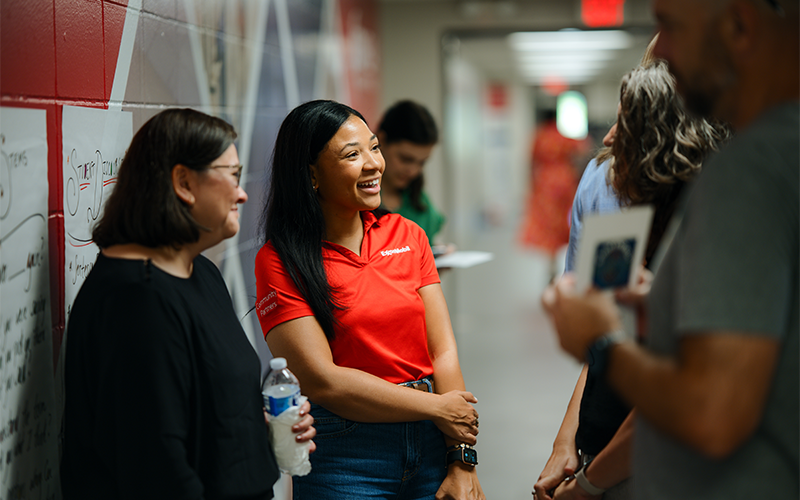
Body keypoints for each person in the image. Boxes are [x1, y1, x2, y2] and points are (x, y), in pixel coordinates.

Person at [541, 1, 799, 499]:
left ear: (740, 26)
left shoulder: (747, 176)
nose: (659, 52)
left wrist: (603, 341)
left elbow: (712, 413)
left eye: (671, 27)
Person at [61, 108, 315, 500]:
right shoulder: (135, 300)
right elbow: (154, 467)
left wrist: (260, 429)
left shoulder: (201, 274)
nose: (242, 192)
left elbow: (199, 413)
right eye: (231, 175)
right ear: (183, 182)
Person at [254, 100, 485, 500]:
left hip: (432, 446)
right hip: (346, 455)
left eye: (374, 147)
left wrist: (461, 459)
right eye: (352, 154)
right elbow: (320, 380)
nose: (373, 164)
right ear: (312, 175)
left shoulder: (408, 235)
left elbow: (442, 351)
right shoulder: (280, 260)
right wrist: (436, 408)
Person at [535, 59, 730, 500]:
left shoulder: (710, 231)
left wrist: (586, 486)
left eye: (625, 124)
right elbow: (603, 343)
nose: (605, 140)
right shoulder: (615, 205)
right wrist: (568, 443)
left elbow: (668, 401)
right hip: (607, 452)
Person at [519, 109, 589, 278]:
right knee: (565, 220)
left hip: (546, 183)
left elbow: (531, 161)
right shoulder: (563, 136)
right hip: (565, 181)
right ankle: (569, 257)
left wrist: (531, 184)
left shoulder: (540, 136)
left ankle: (551, 259)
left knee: (548, 222)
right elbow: (584, 148)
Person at [377, 100, 447, 245]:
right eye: (406, 159)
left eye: (422, 163)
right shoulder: (354, 202)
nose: (413, 171)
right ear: (381, 140)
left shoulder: (420, 203)